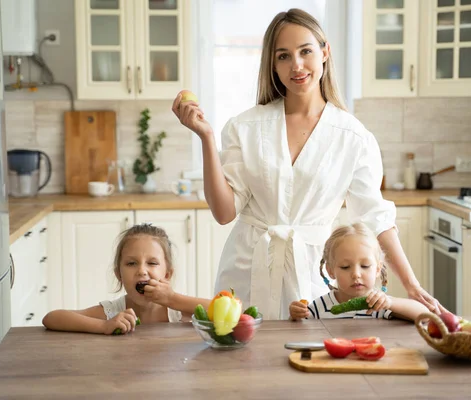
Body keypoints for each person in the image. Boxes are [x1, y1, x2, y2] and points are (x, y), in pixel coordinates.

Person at [172, 8, 442, 320]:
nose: (296, 65)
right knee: (240, 361)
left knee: (310, 357)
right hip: (247, 268)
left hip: (313, 274)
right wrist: (205, 137)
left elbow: (375, 218)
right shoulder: (244, 128)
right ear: (272, 65)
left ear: (325, 52)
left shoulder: (354, 137)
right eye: (283, 56)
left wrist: (411, 284)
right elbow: (224, 213)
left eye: (306, 51)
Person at [42, 224, 210, 334]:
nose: (142, 271)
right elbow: (52, 318)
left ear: (167, 275)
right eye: (131, 263)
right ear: (119, 275)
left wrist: (173, 299)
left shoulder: (178, 312)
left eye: (152, 263)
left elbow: (230, 314)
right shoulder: (113, 312)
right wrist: (103, 326)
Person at [289, 223, 429, 321]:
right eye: (345, 267)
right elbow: (299, 327)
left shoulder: (379, 304)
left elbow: (424, 315)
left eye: (365, 266)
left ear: (378, 269)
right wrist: (295, 315)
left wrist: (390, 303)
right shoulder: (320, 306)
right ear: (330, 271)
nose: (356, 274)